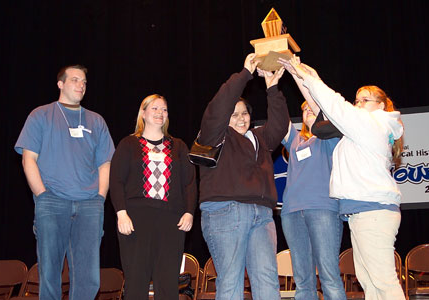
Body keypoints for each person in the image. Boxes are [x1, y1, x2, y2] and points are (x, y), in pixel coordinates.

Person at [279, 57, 405, 300]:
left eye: (364, 100)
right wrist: (298, 73)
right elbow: (321, 108)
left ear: (380, 105)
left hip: (374, 212)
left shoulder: (372, 124)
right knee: (370, 282)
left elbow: (332, 103)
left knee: (383, 281)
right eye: (356, 100)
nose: (358, 104)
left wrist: (307, 74)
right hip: (361, 213)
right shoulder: (357, 128)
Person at [15, 64, 115, 300]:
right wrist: (42, 194)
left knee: (88, 276)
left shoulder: (96, 120)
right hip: (51, 201)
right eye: (75, 80)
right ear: (60, 84)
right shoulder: (40, 114)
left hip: (89, 204)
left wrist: (100, 197)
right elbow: (28, 158)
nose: (81, 85)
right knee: (50, 271)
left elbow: (106, 164)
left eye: (84, 82)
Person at [198, 53, 289, 300]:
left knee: (268, 280)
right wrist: (245, 74)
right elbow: (218, 108)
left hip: (262, 214)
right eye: (234, 114)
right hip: (227, 211)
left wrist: (272, 89)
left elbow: (280, 127)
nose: (241, 118)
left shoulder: (259, 137)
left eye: (245, 113)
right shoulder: (216, 136)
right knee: (231, 283)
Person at [110, 94, 197, 299]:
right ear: (143, 113)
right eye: (155, 108)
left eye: (164, 109)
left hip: (171, 221)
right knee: (136, 281)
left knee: (167, 282)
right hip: (135, 220)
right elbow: (116, 181)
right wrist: (121, 213)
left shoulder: (179, 146)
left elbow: (190, 183)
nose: (160, 113)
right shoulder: (128, 144)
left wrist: (189, 212)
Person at [280, 94, 346, 299]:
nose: (308, 109)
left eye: (313, 107)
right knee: (303, 280)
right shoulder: (295, 140)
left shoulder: (332, 137)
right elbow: (279, 115)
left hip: (323, 209)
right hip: (291, 213)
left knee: (329, 276)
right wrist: (272, 83)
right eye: (304, 108)